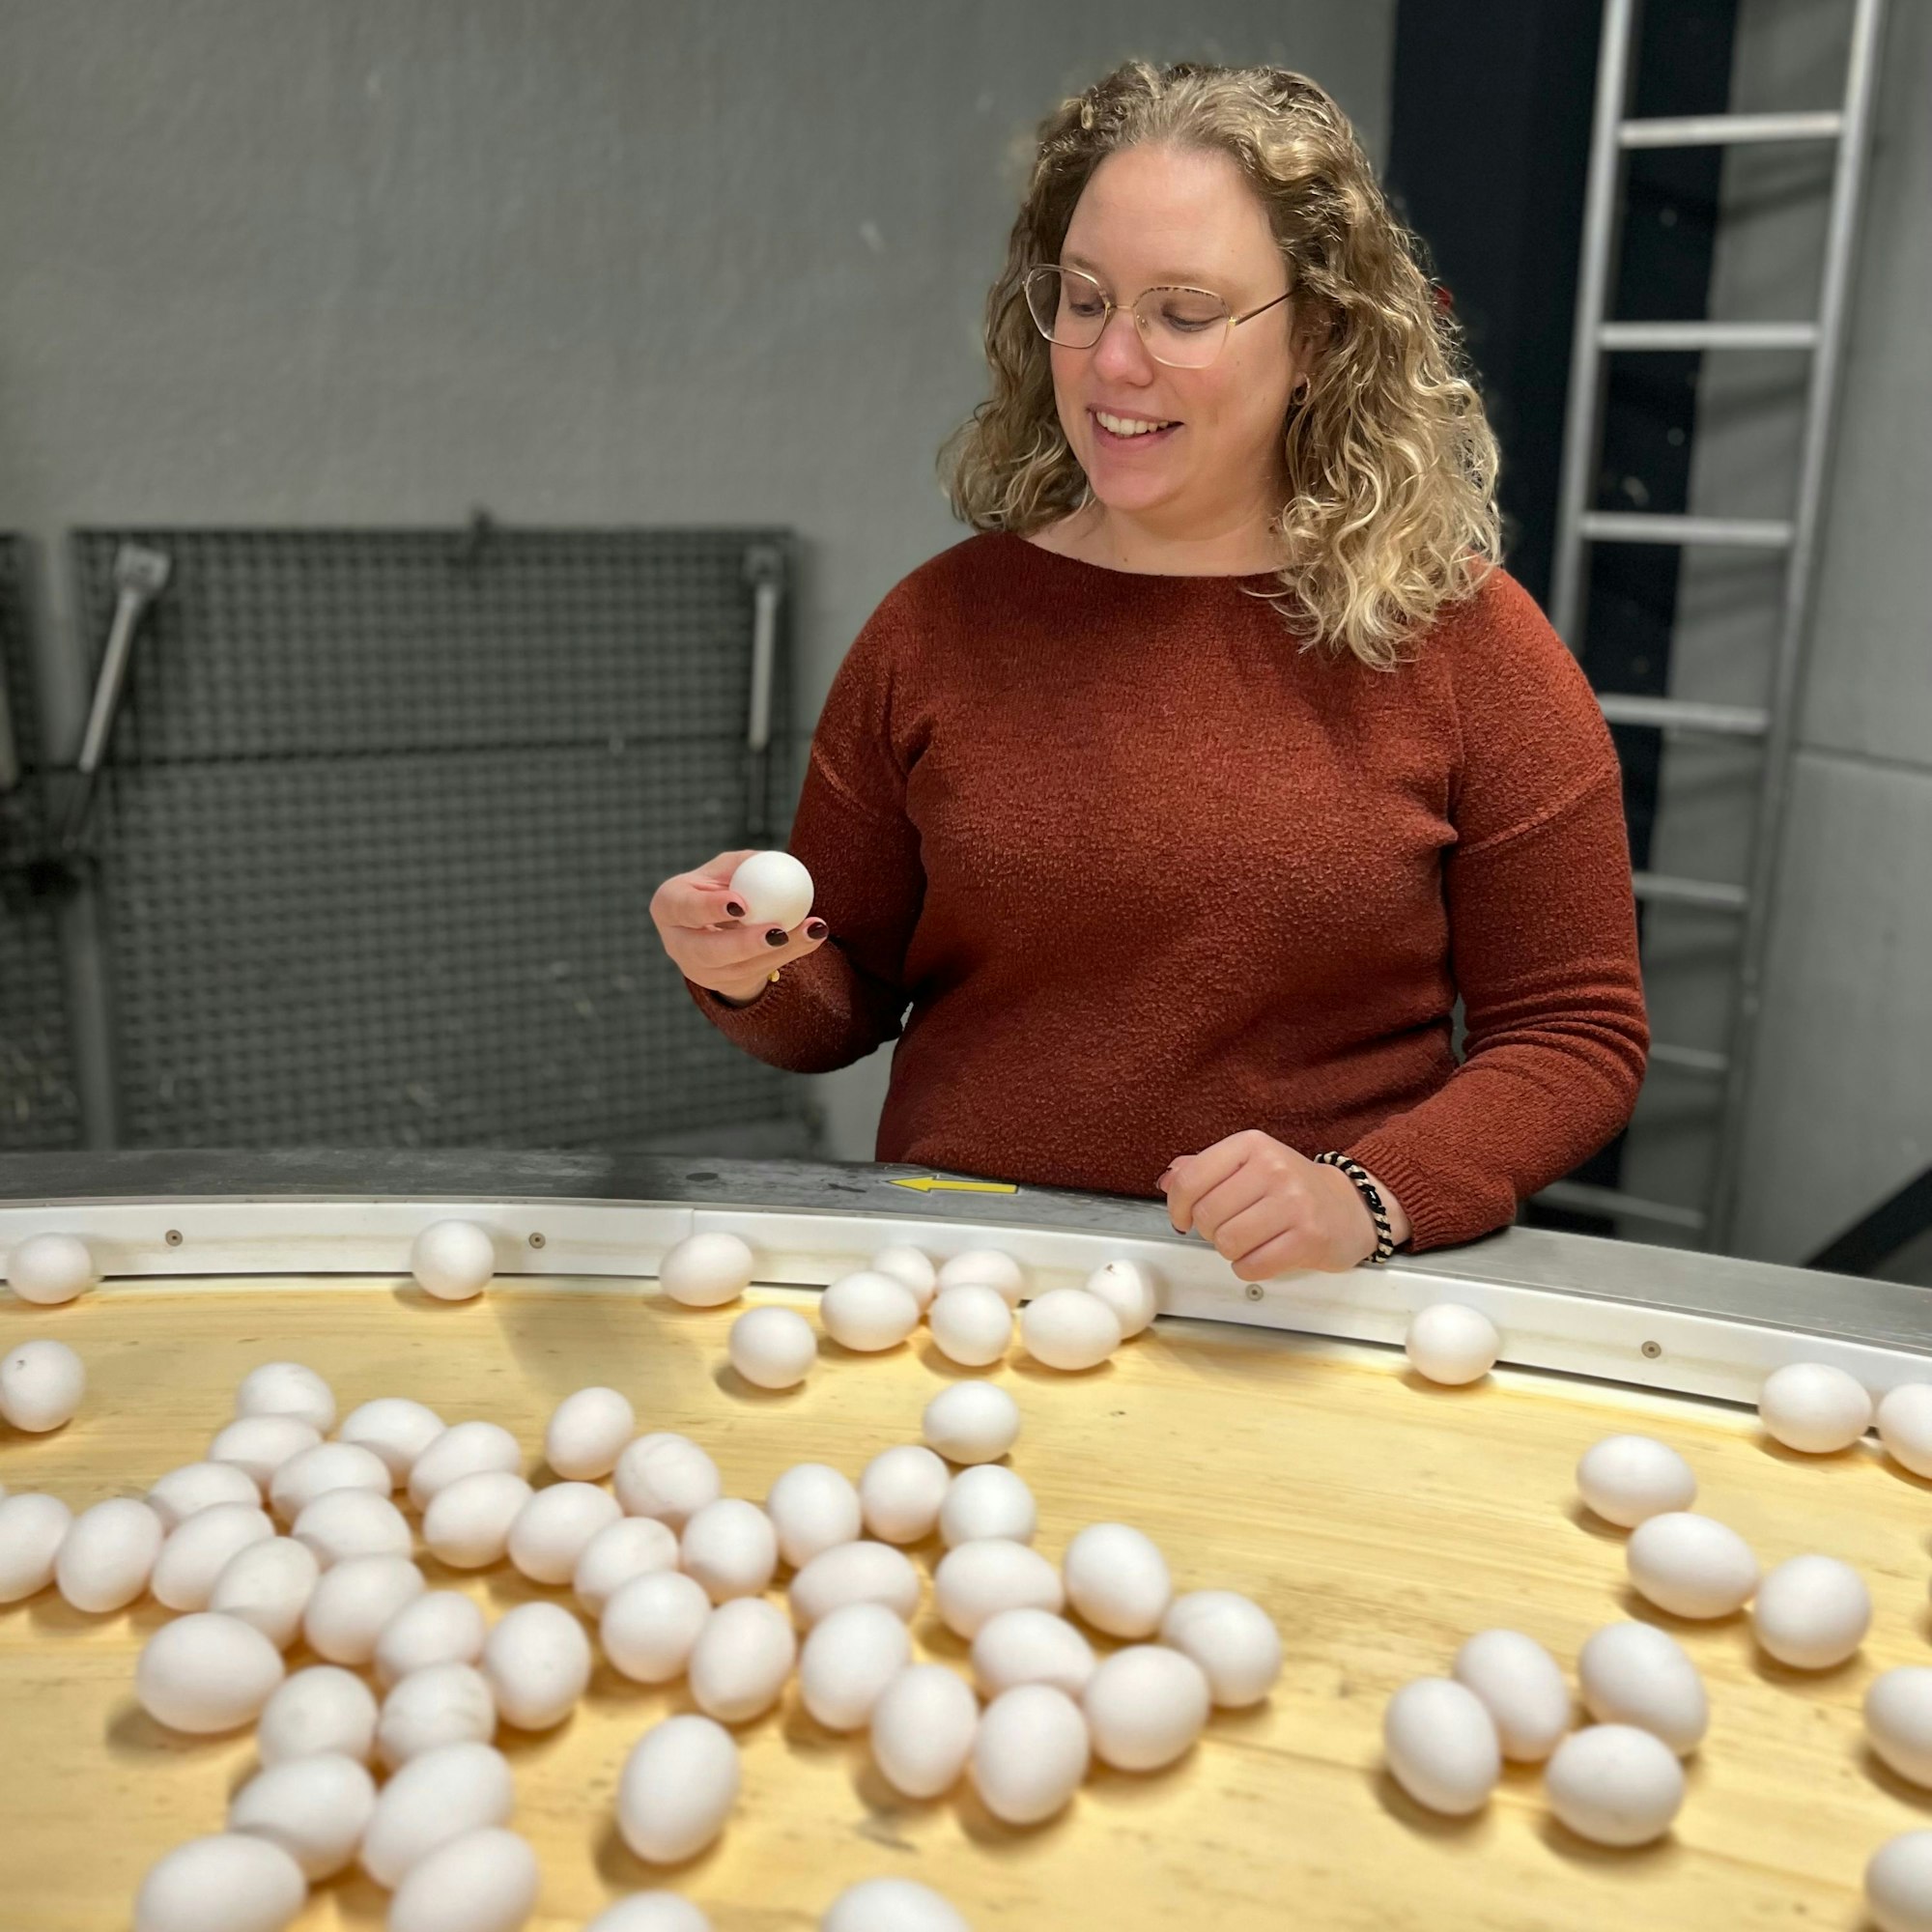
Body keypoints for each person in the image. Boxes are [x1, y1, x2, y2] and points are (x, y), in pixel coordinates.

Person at [650, 61, 1647, 1276]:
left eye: (1182, 313)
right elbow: (843, 996)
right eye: (1081, 299)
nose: (1111, 362)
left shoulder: (1469, 650)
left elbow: (1572, 1034)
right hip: (956, 1278)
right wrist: (748, 967)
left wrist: (1369, 1194)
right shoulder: (937, 626)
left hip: (1292, 1305)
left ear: (1320, 337)